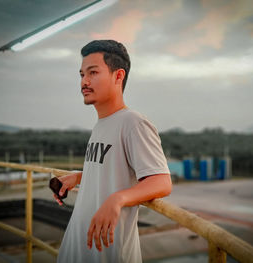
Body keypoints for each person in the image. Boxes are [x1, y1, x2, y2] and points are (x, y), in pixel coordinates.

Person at [54, 39, 172, 263]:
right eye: (81, 75)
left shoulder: (133, 123)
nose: (84, 82)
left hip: (108, 254)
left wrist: (117, 199)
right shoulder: (102, 123)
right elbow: (114, 168)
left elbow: (161, 181)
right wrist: (80, 177)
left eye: (93, 72)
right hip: (79, 248)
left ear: (118, 76)